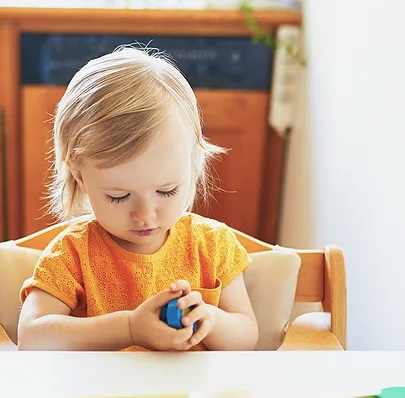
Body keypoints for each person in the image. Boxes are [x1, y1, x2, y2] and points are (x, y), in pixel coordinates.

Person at [17, 46, 258, 352]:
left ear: (193, 164)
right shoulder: (73, 254)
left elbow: (248, 336)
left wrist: (210, 319)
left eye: (166, 191)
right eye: (119, 196)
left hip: (187, 397)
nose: (145, 214)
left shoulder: (211, 246)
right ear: (80, 176)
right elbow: (32, 337)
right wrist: (129, 328)